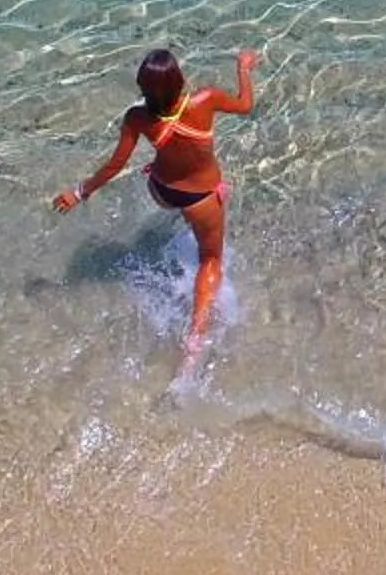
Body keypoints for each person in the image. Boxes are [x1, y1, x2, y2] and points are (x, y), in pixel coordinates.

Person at [55, 46, 259, 373]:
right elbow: (246, 104)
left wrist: (78, 193)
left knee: (165, 164)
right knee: (211, 260)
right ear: (179, 79)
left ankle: (176, 201)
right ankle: (194, 342)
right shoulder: (205, 99)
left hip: (162, 191)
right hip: (201, 200)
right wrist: (244, 67)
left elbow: (114, 166)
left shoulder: (137, 118)